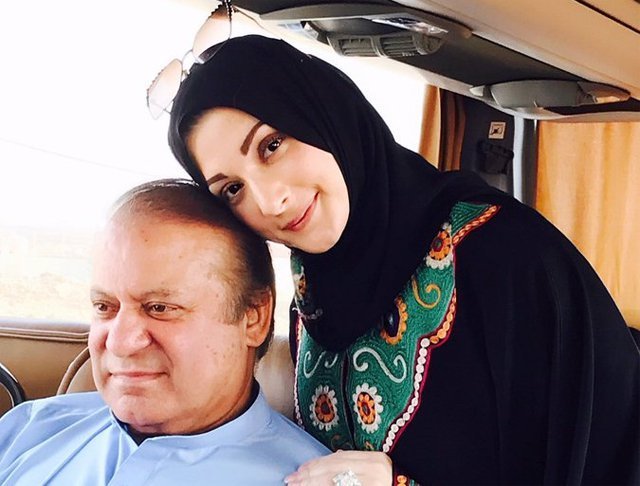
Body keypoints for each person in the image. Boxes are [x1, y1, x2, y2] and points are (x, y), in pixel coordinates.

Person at [165, 35, 640, 485]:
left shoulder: (508, 257)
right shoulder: (310, 296)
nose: (270, 202)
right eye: (233, 190)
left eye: (272, 145)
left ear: (326, 116)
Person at [0, 179, 329, 485]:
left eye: (159, 308)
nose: (119, 342)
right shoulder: (28, 429)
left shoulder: (311, 478)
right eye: (104, 306)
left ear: (253, 317)